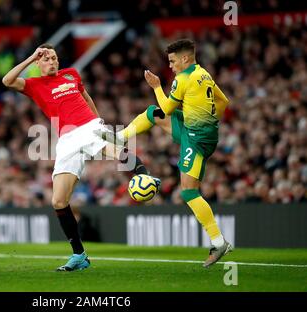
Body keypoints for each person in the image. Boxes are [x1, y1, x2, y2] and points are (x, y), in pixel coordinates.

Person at [2, 44, 160, 271]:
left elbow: (87, 98)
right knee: (58, 201)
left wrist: (99, 122)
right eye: (45, 59)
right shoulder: (34, 84)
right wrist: (30, 58)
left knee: (117, 152)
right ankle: (79, 255)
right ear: (38, 63)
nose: (52, 62)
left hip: (89, 126)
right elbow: (7, 81)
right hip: (66, 140)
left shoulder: (71, 74)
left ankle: (145, 176)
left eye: (54, 58)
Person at [97, 39, 232, 268]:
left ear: (185, 59)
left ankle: (219, 243)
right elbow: (223, 101)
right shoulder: (204, 73)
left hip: (197, 138)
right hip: (199, 131)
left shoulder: (182, 79)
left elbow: (168, 107)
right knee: (153, 114)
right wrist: (210, 120)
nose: (170, 66)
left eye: (172, 61)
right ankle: (120, 137)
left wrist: (156, 86)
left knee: (188, 192)